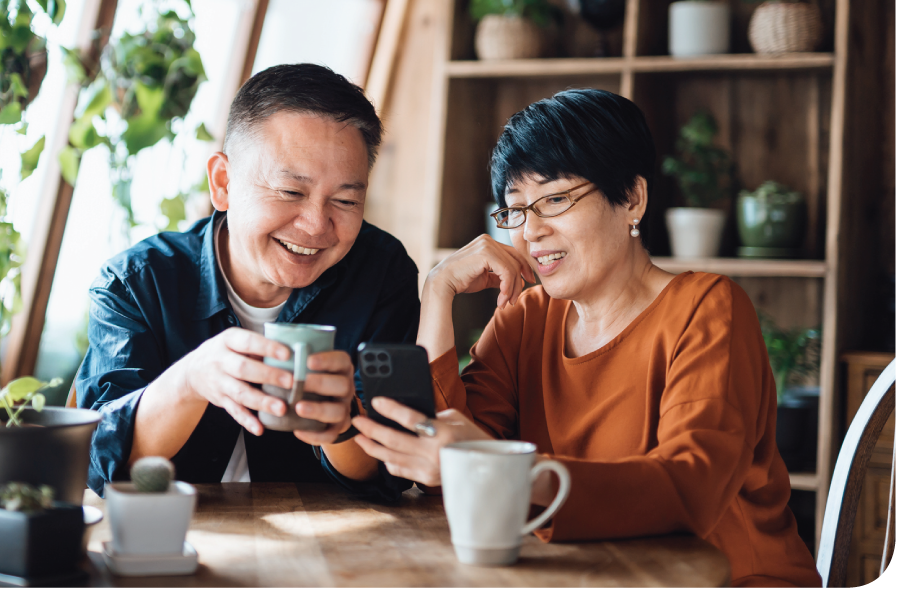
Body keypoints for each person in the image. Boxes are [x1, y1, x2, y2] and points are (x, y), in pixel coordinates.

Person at [351, 89, 821, 587]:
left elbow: (690, 488)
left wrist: (499, 470)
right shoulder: (525, 318)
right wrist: (437, 291)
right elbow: (446, 474)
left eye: (554, 199)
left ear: (632, 198)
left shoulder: (707, 310)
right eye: (514, 210)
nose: (530, 232)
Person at [77, 63, 417, 499]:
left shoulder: (381, 274)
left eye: (346, 199)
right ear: (223, 182)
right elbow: (104, 466)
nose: (316, 225)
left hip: (328, 550)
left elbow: (393, 470)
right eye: (291, 192)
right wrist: (191, 379)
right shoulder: (138, 284)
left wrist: (342, 426)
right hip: (173, 537)